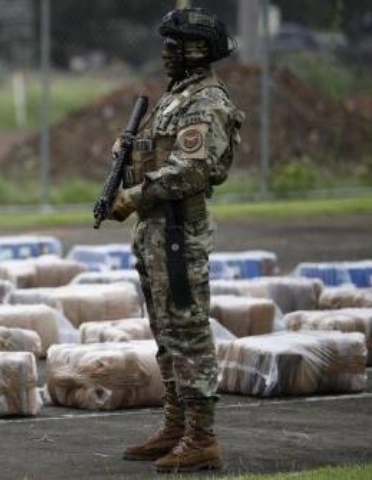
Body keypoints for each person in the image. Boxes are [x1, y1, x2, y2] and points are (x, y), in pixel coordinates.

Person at [106, 7, 244, 473]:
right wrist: (128, 159)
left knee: (188, 332)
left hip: (179, 234)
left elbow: (193, 169)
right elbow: (161, 154)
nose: (166, 52)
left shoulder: (206, 101)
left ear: (198, 49)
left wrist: (134, 195)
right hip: (156, 231)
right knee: (166, 333)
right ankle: (176, 424)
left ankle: (202, 437)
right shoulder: (175, 97)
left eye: (175, 44)